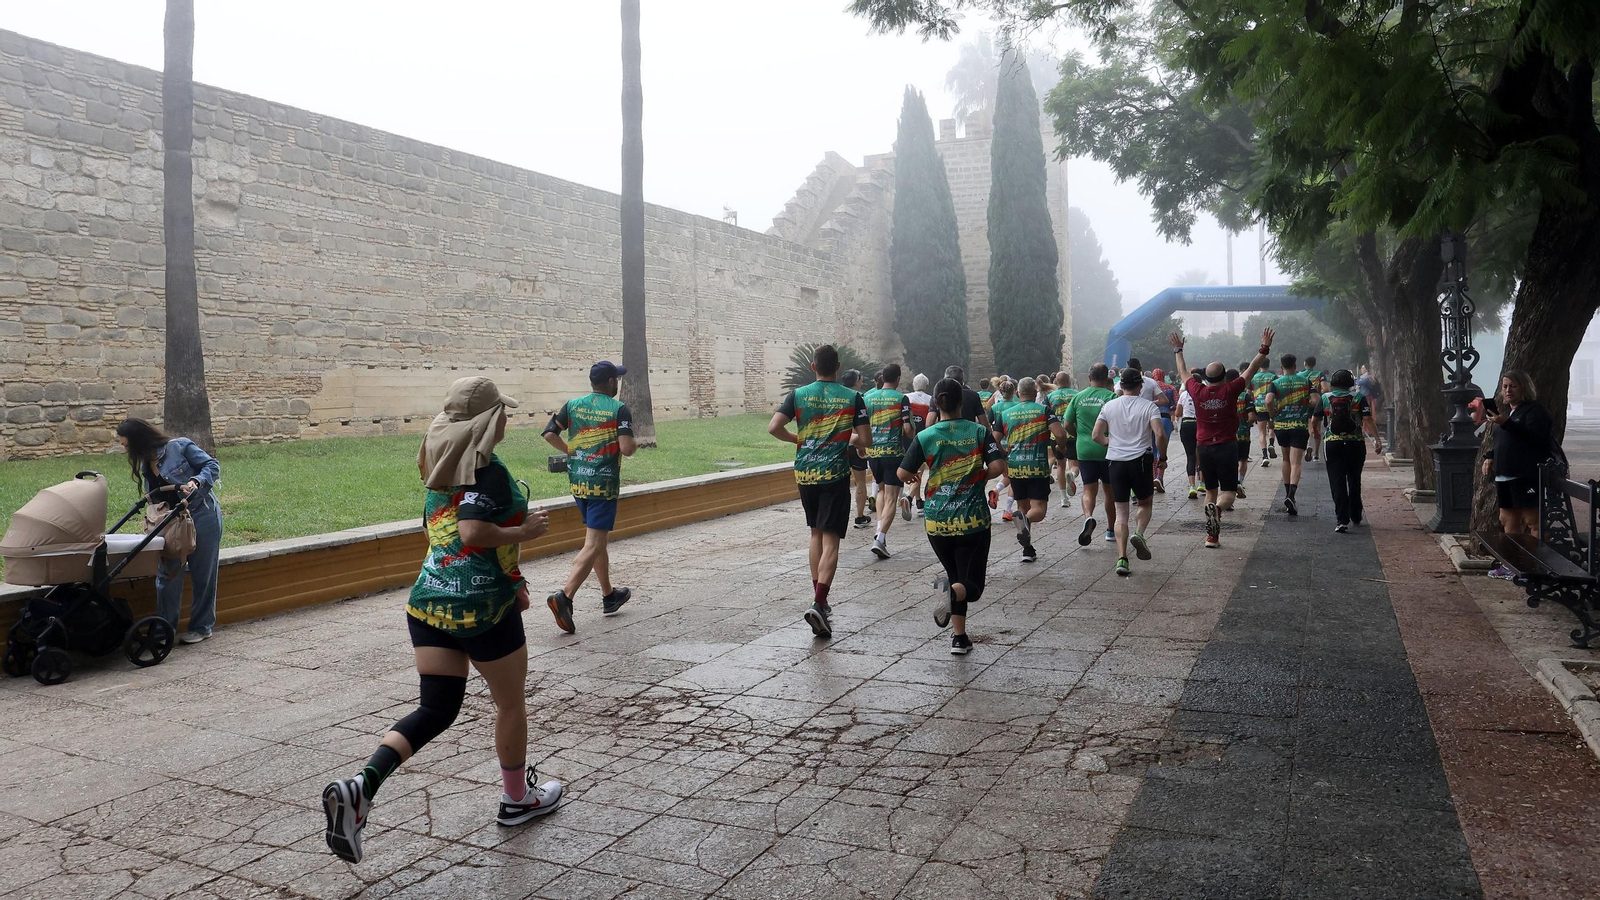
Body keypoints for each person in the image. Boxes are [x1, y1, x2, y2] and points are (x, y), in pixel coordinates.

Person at [324, 377, 560, 865]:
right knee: (510, 704)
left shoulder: (437, 468)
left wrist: (512, 576)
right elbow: (473, 532)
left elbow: (443, 537)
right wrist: (526, 531)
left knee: (436, 708)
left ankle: (361, 788)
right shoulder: (487, 472)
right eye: (503, 414)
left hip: (429, 606)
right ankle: (517, 800)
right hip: (481, 612)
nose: (508, 421)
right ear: (491, 421)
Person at [898, 378, 1006, 655]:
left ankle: (959, 638)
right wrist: (980, 475)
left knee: (955, 576)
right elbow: (998, 465)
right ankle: (950, 598)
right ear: (962, 402)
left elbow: (901, 473)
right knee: (972, 586)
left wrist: (916, 475)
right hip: (972, 520)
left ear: (936, 403)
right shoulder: (979, 432)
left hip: (937, 521)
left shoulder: (926, 436)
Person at [769, 344, 871, 638]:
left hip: (805, 472)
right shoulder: (853, 397)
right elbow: (865, 439)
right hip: (834, 474)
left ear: (813, 367)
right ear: (838, 367)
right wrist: (846, 439)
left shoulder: (798, 395)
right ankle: (820, 600)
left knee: (815, 532)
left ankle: (820, 601)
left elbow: (774, 427)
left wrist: (798, 440)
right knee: (832, 539)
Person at [541, 361, 637, 633]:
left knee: (597, 540)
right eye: (616, 379)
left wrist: (570, 451)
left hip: (579, 482)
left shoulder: (573, 405)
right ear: (609, 382)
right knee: (594, 544)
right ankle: (565, 596)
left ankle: (609, 596)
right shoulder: (619, 410)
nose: (617, 383)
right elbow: (627, 448)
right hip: (603, 485)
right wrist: (634, 442)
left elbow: (550, 433)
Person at [115, 418, 223, 644]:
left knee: (203, 574)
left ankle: (202, 627)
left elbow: (212, 465)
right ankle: (165, 630)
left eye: (126, 445)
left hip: (201, 515)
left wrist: (196, 480)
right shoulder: (146, 463)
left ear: (139, 441)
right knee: (167, 575)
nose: (124, 450)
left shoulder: (179, 447)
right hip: (172, 523)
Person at [1170, 329, 1274, 549]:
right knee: (1228, 493)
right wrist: (1264, 347)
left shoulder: (1196, 390)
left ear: (1206, 377)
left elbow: (1182, 371)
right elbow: (1252, 369)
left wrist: (1178, 349)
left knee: (1210, 491)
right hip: (1227, 447)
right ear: (1225, 375)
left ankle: (1212, 537)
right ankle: (1217, 510)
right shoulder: (1231, 389)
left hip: (1204, 448)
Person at [1484, 371, 1558, 577]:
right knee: (1508, 520)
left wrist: (1506, 423)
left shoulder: (1535, 411)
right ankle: (1513, 564)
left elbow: (1537, 439)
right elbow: (1503, 440)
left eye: (1512, 386)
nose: (1507, 390)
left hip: (1525, 475)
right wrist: (1490, 455)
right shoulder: (1508, 413)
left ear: (1524, 387)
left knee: (1533, 521)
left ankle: (1539, 565)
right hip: (1505, 475)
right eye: (1505, 386)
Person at [1094, 368, 1167, 576]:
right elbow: (1159, 434)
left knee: (1121, 513)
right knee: (1144, 503)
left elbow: (1096, 435)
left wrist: (1112, 442)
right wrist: (1163, 457)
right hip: (1140, 461)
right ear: (1140, 385)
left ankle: (1122, 559)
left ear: (1120, 385)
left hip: (1115, 462)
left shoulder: (1109, 406)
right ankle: (1139, 533)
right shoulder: (1149, 407)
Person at [993, 377, 1069, 562]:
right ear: (1035, 393)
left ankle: (1027, 551)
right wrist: (1060, 447)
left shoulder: (1006, 414)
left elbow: (994, 439)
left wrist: (1004, 453)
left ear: (1018, 394)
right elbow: (1060, 433)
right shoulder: (1043, 410)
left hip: (1016, 467)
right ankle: (1025, 525)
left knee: (1022, 508)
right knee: (1038, 510)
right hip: (1037, 466)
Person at [862, 363, 916, 558]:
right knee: (893, 497)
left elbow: (859, 426)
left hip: (873, 453)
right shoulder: (902, 399)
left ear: (883, 378)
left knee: (882, 490)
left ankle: (878, 528)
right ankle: (880, 538)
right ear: (898, 379)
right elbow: (908, 429)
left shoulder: (867, 398)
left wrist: (862, 448)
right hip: (893, 453)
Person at [1322, 369, 1383, 532]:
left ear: (1333, 383)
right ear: (1350, 383)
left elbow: (1315, 420)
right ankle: (1355, 514)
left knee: (1337, 481)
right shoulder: (1358, 397)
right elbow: (1368, 419)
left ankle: (1342, 519)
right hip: (1355, 443)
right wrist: (1377, 440)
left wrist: (1312, 438)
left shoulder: (1325, 398)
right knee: (1354, 479)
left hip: (1332, 444)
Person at [1065, 366, 1118, 546]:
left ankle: (1088, 517)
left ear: (1089, 377)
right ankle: (1110, 530)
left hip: (1085, 449)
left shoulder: (1078, 397)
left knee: (1089, 490)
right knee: (1110, 492)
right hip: (1108, 449)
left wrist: (1078, 434)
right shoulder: (1112, 397)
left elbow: (1066, 424)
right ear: (1107, 378)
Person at [1264, 354, 1320, 516]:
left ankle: (1287, 492)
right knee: (1297, 463)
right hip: (1299, 426)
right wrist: (1303, 404)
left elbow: (1268, 401)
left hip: (1281, 426)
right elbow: (1316, 400)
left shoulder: (1275, 383)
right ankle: (1291, 496)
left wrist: (1273, 413)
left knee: (1286, 459)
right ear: (1295, 366)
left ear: (1281, 367)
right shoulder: (1305, 381)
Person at [839, 369, 874, 529]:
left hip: (838, 445)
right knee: (860, 482)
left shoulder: (837, 397)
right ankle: (859, 517)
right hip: (855, 444)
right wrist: (861, 445)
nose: (862, 382)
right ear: (857, 381)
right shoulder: (859, 398)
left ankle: (838, 515)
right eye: (861, 379)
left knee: (840, 482)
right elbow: (862, 425)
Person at [987, 378, 1021, 521]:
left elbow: (990, 424)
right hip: (1014, 444)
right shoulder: (1018, 405)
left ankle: (996, 490)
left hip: (999, 444)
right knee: (1014, 478)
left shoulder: (995, 408)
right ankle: (1007, 510)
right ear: (1014, 391)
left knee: (1007, 475)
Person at [1047, 371, 1079, 506]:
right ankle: (1072, 474)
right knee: (1075, 464)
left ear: (1056, 382)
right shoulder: (1076, 394)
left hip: (1056, 434)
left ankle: (1063, 499)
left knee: (1060, 465)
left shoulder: (1049, 396)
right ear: (1069, 381)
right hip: (1073, 433)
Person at [905, 373, 934, 517]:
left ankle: (918, 501)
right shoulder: (931, 400)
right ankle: (910, 499)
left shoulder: (906, 398)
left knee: (913, 471)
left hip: (907, 439)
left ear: (913, 385)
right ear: (927, 386)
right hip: (923, 440)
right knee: (918, 472)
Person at [1151, 368, 1178, 493]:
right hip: (1166, 418)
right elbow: (1175, 404)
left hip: (1152, 420)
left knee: (1152, 449)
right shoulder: (1171, 388)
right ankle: (1159, 477)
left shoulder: (1150, 387)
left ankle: (1152, 476)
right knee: (1162, 449)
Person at [1177, 372, 1200, 499]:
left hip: (1186, 425)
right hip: (1200, 425)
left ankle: (1192, 486)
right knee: (1201, 454)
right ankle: (1202, 482)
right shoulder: (1203, 393)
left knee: (1190, 456)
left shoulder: (1184, 395)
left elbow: (1178, 412)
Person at [1251, 362, 1278, 466]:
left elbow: (1249, 392)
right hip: (1271, 407)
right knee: (1271, 428)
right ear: (1269, 365)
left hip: (1259, 407)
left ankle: (1265, 456)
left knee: (1262, 433)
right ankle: (1271, 444)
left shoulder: (1254, 378)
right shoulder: (1273, 377)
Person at [1234, 373, 1254, 499]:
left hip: (1227, 435)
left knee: (1231, 462)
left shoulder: (1224, 393)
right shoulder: (1245, 396)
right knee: (1243, 459)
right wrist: (1246, 426)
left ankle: (1231, 484)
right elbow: (1252, 417)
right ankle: (1240, 482)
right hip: (1243, 434)